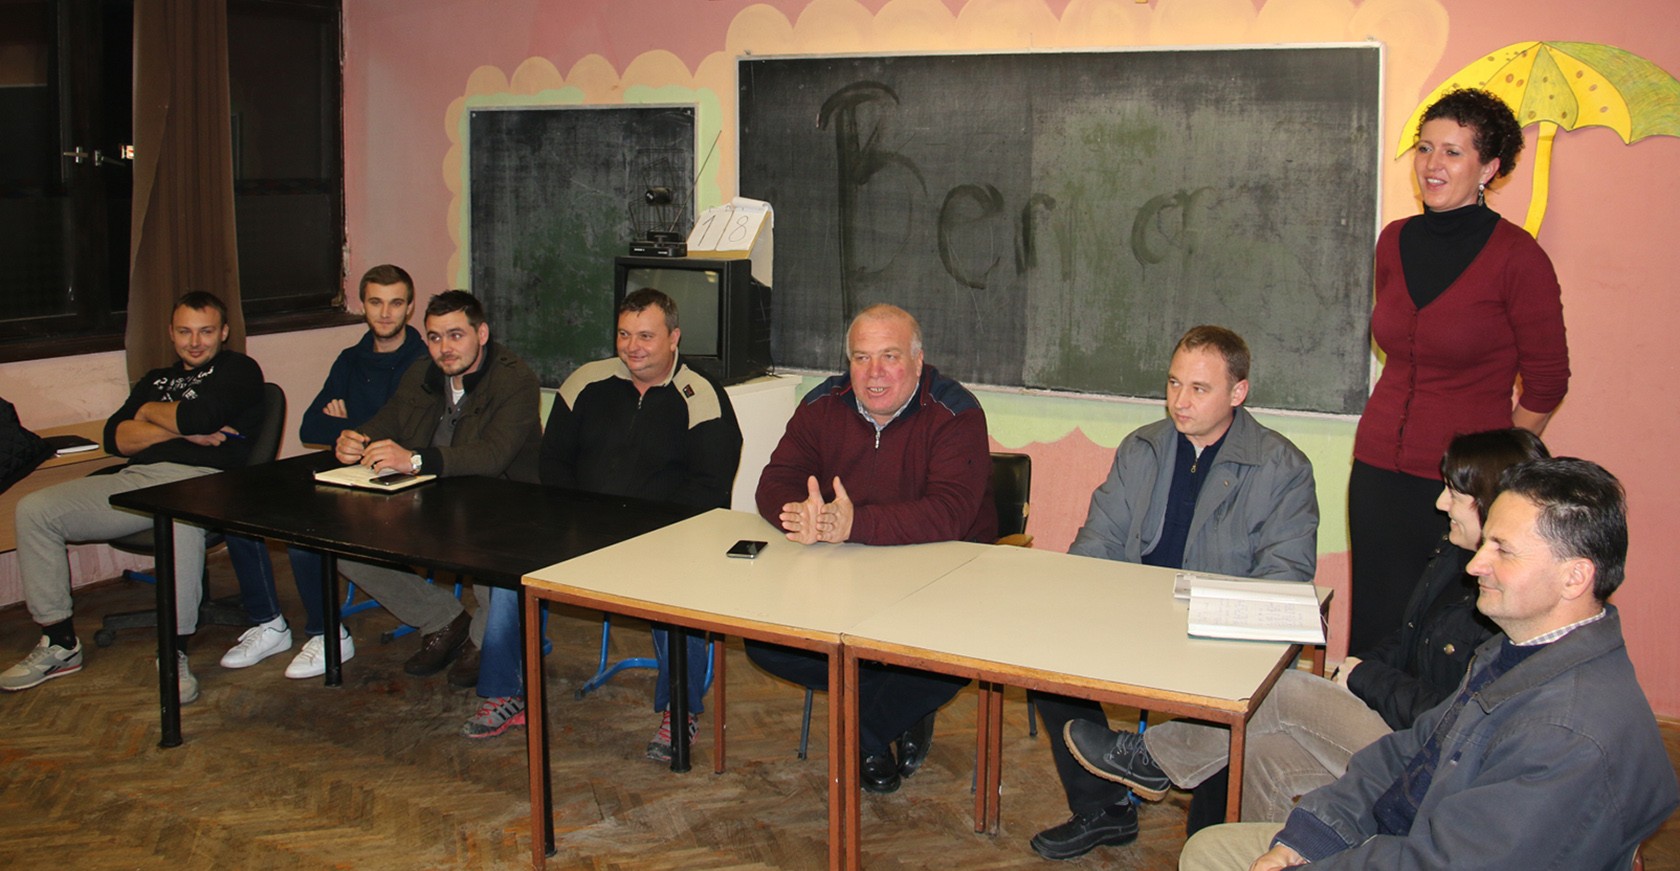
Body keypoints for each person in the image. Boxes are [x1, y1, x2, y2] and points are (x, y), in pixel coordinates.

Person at [1180, 458, 1678, 871]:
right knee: (1209, 849)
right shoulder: (1517, 651)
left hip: (1417, 852)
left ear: (1575, 577)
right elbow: (1409, 752)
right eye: (1486, 542)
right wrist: (1308, 839)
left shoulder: (1566, 733)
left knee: (1211, 856)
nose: (1475, 565)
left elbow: (1448, 863)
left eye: (1503, 550)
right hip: (1406, 838)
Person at [1065, 429, 1545, 823]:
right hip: (1399, 725)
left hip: (1433, 758)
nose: (1440, 504)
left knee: (1286, 689)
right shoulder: (1452, 557)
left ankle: (1152, 757)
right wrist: (1355, 671)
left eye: (1454, 495)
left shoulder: (1507, 601)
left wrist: (1365, 677)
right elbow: (1407, 635)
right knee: (1260, 754)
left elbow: (1453, 716)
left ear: (1492, 503)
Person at [1027, 325, 1318, 861]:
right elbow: (1098, 542)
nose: (1179, 401)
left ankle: (1206, 833)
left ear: (1238, 392)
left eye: (1199, 389)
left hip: (1215, 636)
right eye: (1173, 383)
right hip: (1135, 617)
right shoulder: (1143, 448)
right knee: (1045, 662)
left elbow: (1286, 577)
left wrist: (1210, 619)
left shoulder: (1283, 467)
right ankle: (1104, 808)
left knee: (1233, 708)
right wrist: (1073, 604)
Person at [468, 288, 742, 744]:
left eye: (646, 336)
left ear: (674, 338)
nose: (633, 347)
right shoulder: (586, 382)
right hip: (582, 529)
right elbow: (553, 461)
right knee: (509, 574)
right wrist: (580, 518)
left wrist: (652, 530)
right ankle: (506, 692)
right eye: (624, 334)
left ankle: (679, 710)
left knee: (684, 591)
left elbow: (710, 487)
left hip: (665, 538)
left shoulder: (701, 395)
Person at [1349, 87, 1570, 653]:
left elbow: (1548, 381)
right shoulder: (1394, 240)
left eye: (1452, 152)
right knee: (1377, 621)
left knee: (1443, 637)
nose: (1432, 164)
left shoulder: (1519, 257)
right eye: (1425, 148)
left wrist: (1495, 464)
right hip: (1377, 469)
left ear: (1488, 168)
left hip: (1464, 488)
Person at [746, 303, 994, 795]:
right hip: (847, 575)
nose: (874, 373)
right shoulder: (822, 403)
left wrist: (856, 523)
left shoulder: (956, 412)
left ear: (918, 361)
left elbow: (951, 513)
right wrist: (799, 512)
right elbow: (775, 480)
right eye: (861, 358)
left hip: (943, 580)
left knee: (951, 657)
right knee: (764, 643)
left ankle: (864, 736)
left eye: (889, 357)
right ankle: (895, 709)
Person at [2, 292, 265, 702]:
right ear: (171, 333)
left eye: (206, 331)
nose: (195, 342)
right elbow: (115, 437)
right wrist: (178, 429)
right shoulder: (155, 379)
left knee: (178, 515)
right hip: (138, 478)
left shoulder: (239, 369)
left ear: (224, 332)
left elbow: (198, 417)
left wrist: (147, 414)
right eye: (185, 332)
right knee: (35, 510)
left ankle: (174, 649)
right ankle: (59, 643)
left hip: (205, 482)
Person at [330, 290, 541, 725]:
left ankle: (482, 640)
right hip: (431, 496)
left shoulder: (515, 379)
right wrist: (358, 438)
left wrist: (414, 460)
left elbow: (492, 456)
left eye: (456, 335)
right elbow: (390, 419)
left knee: (492, 569)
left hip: (505, 504)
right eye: (434, 337)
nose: (445, 348)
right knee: (345, 544)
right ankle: (442, 619)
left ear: (482, 334)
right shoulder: (422, 372)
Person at [217, 264, 429, 677]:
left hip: (403, 484)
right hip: (347, 475)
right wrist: (346, 431)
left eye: (396, 303)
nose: (385, 313)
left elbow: (407, 433)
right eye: (376, 302)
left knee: (306, 534)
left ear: (410, 307)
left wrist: (351, 425)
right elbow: (310, 426)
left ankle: (328, 634)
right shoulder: (350, 359)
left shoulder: (423, 362)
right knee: (239, 514)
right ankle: (269, 623)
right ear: (363, 305)